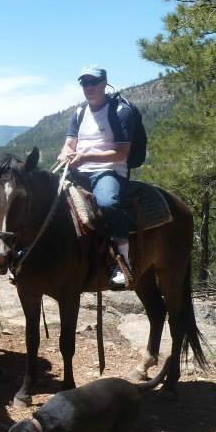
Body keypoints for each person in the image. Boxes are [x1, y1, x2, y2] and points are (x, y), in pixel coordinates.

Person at [57, 65, 135, 289]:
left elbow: (121, 152)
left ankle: (122, 262)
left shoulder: (120, 111)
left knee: (108, 203)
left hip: (108, 170)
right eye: (85, 83)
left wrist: (86, 156)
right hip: (78, 170)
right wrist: (65, 154)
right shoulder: (80, 113)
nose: (89, 87)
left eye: (94, 82)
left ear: (104, 83)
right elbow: (69, 143)